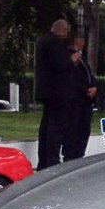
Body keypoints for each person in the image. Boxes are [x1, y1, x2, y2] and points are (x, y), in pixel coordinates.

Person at [35, 19, 79, 170]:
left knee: (47, 126)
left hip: (48, 92)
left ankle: (44, 161)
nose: (67, 34)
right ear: (60, 30)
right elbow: (60, 64)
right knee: (55, 128)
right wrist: (71, 59)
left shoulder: (43, 41)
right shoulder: (55, 43)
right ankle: (52, 162)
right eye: (66, 30)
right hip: (58, 93)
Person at [64, 37, 97, 161]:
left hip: (85, 102)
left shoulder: (82, 59)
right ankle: (70, 154)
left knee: (84, 129)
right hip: (75, 101)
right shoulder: (69, 57)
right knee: (73, 128)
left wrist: (93, 87)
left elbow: (89, 76)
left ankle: (79, 153)